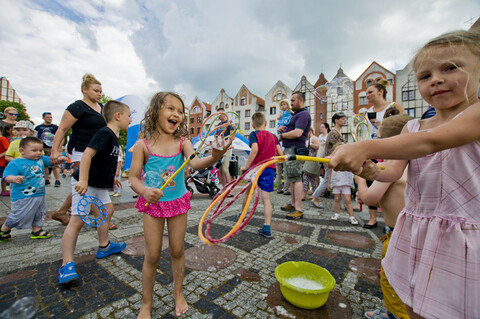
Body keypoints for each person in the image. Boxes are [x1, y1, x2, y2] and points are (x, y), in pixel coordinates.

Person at [329, 29, 480, 319]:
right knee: (412, 306)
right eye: (425, 76)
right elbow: (391, 170)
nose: (435, 79)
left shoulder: (475, 115)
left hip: (462, 239)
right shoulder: (413, 127)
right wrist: (371, 168)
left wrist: (364, 146)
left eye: (450, 68)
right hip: (416, 231)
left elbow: (432, 142)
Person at [129, 92, 232, 318]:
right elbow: (133, 178)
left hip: (177, 203)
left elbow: (195, 163)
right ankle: (146, 303)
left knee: (177, 249)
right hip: (153, 206)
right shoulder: (142, 145)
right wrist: (145, 191)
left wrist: (215, 155)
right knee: (152, 255)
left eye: (180, 111)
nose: (176, 114)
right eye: (170, 109)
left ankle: (178, 293)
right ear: (156, 112)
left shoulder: (183, 142)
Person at [58, 100, 130, 284]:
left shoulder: (114, 137)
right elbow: (87, 155)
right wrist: (83, 179)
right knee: (77, 220)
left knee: (108, 211)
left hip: (99, 184)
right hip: (87, 184)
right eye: (129, 116)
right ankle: (66, 264)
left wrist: (111, 178)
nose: (130, 120)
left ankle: (104, 246)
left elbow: (104, 161)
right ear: (118, 116)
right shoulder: (104, 133)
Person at [356, 114, 412, 319]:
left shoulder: (393, 165)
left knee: (391, 281)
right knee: (407, 283)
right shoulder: (416, 162)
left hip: (398, 237)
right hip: (411, 235)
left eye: (379, 138)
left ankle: (394, 315)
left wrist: (359, 179)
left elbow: (370, 198)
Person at [50, 73, 107, 226]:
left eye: (101, 91)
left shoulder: (102, 108)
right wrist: (55, 151)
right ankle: (99, 219)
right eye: (96, 90)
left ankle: (62, 211)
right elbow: (62, 129)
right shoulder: (77, 106)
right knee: (89, 181)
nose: (99, 94)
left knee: (86, 181)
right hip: (81, 149)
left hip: (97, 151)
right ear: (85, 89)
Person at [0, 137, 59, 242]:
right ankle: (4, 228)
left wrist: (59, 159)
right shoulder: (16, 162)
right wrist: (14, 178)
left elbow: (51, 162)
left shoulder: (41, 159)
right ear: (22, 150)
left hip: (39, 194)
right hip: (22, 196)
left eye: (40, 150)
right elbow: (6, 175)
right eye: (34, 150)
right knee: (20, 214)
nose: (38, 153)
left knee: (39, 213)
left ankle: (37, 230)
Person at [240, 112, 283, 238]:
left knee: (248, 193)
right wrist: (272, 158)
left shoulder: (254, 134)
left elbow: (254, 150)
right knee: (266, 199)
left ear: (252, 125)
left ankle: (242, 216)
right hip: (269, 169)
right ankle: (267, 227)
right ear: (265, 123)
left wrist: (246, 167)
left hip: (256, 169)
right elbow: (281, 155)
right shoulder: (273, 136)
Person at [278, 91, 311, 220]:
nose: (290, 103)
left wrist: (281, 136)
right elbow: (294, 130)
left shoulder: (303, 114)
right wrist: (285, 129)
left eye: (292, 100)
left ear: (300, 101)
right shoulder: (297, 115)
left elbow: (298, 133)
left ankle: (298, 209)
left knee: (296, 178)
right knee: (291, 178)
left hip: (295, 148)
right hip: (290, 148)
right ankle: (292, 205)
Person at [310, 113, 346, 208]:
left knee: (339, 180)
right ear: (336, 120)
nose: (344, 120)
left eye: (344, 119)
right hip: (331, 160)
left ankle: (346, 202)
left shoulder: (337, 132)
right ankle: (315, 198)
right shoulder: (334, 133)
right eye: (342, 119)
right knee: (326, 181)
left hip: (335, 160)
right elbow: (335, 148)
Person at [327, 143, 358, 225]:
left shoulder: (348, 160)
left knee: (348, 200)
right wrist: (329, 183)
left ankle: (351, 216)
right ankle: (337, 213)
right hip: (336, 182)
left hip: (346, 183)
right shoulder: (333, 161)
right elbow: (330, 172)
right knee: (336, 199)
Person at [35, 112, 61, 187]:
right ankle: (46, 179)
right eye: (47, 117)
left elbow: (61, 137)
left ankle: (57, 180)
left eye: (50, 117)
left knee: (55, 164)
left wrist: (58, 147)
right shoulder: (38, 127)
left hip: (52, 148)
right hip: (42, 147)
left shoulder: (55, 127)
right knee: (44, 164)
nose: (49, 118)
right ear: (43, 118)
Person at [275, 99, 292, 194]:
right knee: (283, 170)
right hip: (282, 149)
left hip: (280, 148)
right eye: (282, 105)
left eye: (285, 104)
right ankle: (282, 188)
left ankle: (282, 188)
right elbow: (278, 118)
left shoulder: (289, 113)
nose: (283, 106)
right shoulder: (282, 114)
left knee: (281, 170)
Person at [215, 107, 234, 189]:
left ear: (224, 114)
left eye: (220, 114)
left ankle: (229, 189)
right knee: (221, 170)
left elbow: (232, 136)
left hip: (226, 147)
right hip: (220, 147)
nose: (218, 116)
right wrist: (216, 137)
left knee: (225, 168)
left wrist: (228, 144)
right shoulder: (219, 125)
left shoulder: (229, 123)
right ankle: (224, 189)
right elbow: (216, 135)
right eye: (217, 115)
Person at [301, 128, 320, 200]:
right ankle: (312, 194)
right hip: (309, 160)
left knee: (311, 178)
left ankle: (308, 194)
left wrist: (310, 144)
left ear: (310, 131)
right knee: (308, 177)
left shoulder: (314, 138)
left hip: (312, 160)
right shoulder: (308, 139)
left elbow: (318, 146)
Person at [0, 124, 13, 196]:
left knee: (3, 176)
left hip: (1, 162)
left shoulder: (3, 139)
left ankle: (4, 190)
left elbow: (7, 150)